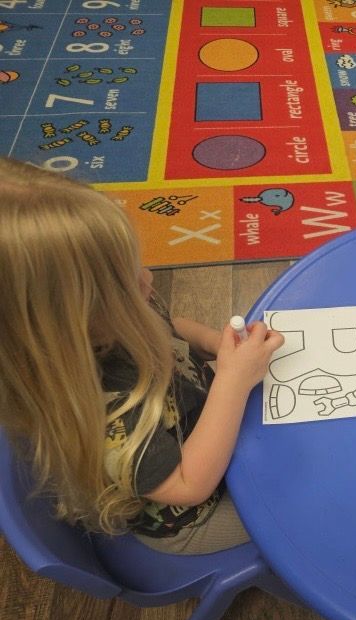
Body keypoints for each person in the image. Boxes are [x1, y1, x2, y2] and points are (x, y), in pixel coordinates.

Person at [0, 157, 284, 554]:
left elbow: (170, 325)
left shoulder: (120, 314)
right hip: (194, 516)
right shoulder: (106, 415)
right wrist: (233, 382)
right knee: (309, 506)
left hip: (213, 428)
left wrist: (209, 341)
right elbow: (189, 486)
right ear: (67, 323)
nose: (149, 279)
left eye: (136, 265)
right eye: (127, 282)